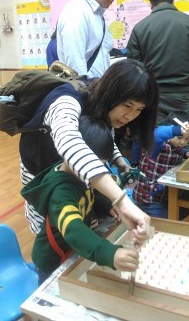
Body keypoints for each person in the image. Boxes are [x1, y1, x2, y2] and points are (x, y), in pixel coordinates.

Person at [19, 58, 159, 249]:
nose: (130, 116)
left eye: (139, 110)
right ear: (113, 93)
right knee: (52, 234)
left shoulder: (103, 104)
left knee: (81, 221)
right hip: (41, 171)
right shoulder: (67, 102)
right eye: (128, 106)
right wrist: (122, 201)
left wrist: (119, 161)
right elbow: (70, 142)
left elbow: (99, 139)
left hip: (72, 171)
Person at [21, 115, 140, 284]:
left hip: (74, 251)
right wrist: (109, 253)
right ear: (75, 155)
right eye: (93, 166)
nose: (94, 173)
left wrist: (107, 205)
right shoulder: (60, 192)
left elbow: (90, 193)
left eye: (100, 167)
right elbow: (73, 228)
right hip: (53, 262)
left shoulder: (80, 174)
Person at [126, 0, 189, 150]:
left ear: (151, 3)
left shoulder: (140, 28)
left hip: (154, 97)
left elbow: (134, 65)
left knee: (157, 144)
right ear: (173, 0)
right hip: (184, 95)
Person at [56, 0, 130, 78]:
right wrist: (87, 89)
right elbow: (76, 68)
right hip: (86, 88)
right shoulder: (77, 12)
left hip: (98, 87)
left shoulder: (96, 13)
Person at [132, 115, 189, 219]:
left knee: (184, 210)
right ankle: (143, 215)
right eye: (179, 137)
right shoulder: (157, 145)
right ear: (170, 134)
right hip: (147, 200)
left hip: (162, 197)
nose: (183, 142)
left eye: (186, 138)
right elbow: (157, 134)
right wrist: (177, 130)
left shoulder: (176, 146)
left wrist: (185, 153)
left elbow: (177, 151)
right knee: (171, 219)